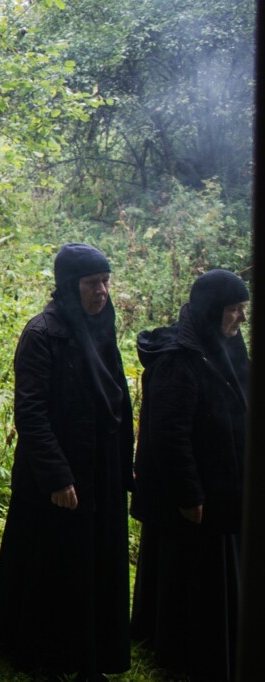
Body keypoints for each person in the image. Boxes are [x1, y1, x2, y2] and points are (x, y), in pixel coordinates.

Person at [0, 243, 134, 680]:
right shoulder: (43, 333)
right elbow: (31, 412)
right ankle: (46, 652)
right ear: (71, 287)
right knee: (53, 562)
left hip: (100, 467)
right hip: (56, 473)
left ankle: (93, 651)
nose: (102, 292)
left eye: (106, 282)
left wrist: (124, 464)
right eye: (93, 284)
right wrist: (57, 475)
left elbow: (118, 402)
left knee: (96, 559)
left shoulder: (100, 326)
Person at [130, 270, 250, 682]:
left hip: (225, 486)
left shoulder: (228, 346)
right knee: (191, 577)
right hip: (193, 495)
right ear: (213, 310)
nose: (241, 319)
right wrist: (189, 494)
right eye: (235, 310)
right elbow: (169, 435)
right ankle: (182, 649)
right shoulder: (178, 360)